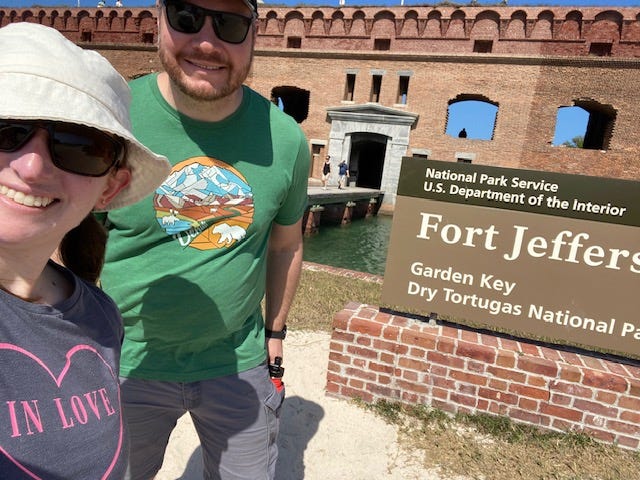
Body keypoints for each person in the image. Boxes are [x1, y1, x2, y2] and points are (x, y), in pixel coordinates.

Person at [97, 0, 311, 478]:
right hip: (123, 361)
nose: (208, 42)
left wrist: (275, 333)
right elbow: (66, 236)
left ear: (255, 32)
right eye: (188, 18)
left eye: (230, 23)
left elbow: (286, 244)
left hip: (236, 361)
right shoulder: (114, 120)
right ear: (159, 18)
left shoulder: (287, 141)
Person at [0, 23, 170, 479]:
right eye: (5, 130)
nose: (32, 166)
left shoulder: (99, 316)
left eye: (78, 146)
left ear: (110, 187)